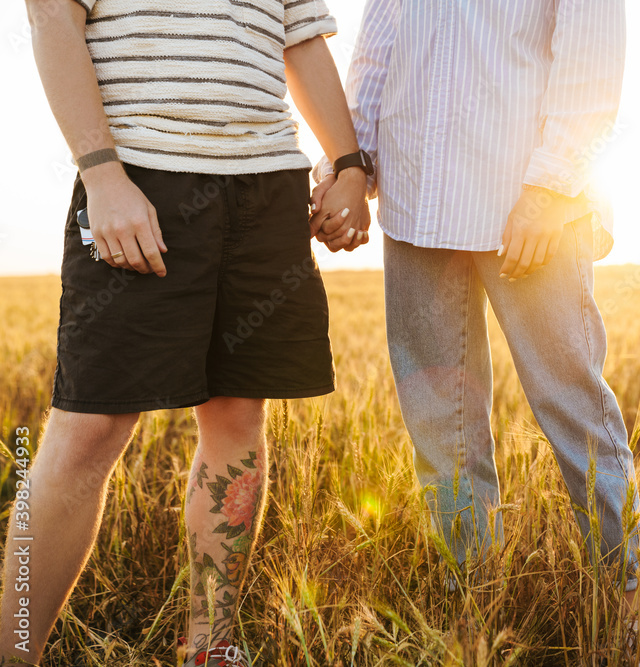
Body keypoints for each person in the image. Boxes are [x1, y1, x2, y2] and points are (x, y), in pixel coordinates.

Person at [2, 0, 371, 664]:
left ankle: (211, 648)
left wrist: (348, 164)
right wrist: (101, 173)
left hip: (266, 185)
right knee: (87, 430)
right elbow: (53, 18)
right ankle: (11, 648)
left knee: (237, 417)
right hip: (140, 180)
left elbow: (301, 36)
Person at [311, 0, 640, 608]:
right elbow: (377, 50)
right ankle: (471, 598)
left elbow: (590, 55)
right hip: (416, 198)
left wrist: (548, 189)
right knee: (440, 421)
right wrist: (353, 166)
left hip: (529, 206)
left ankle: (626, 599)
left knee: (569, 400)